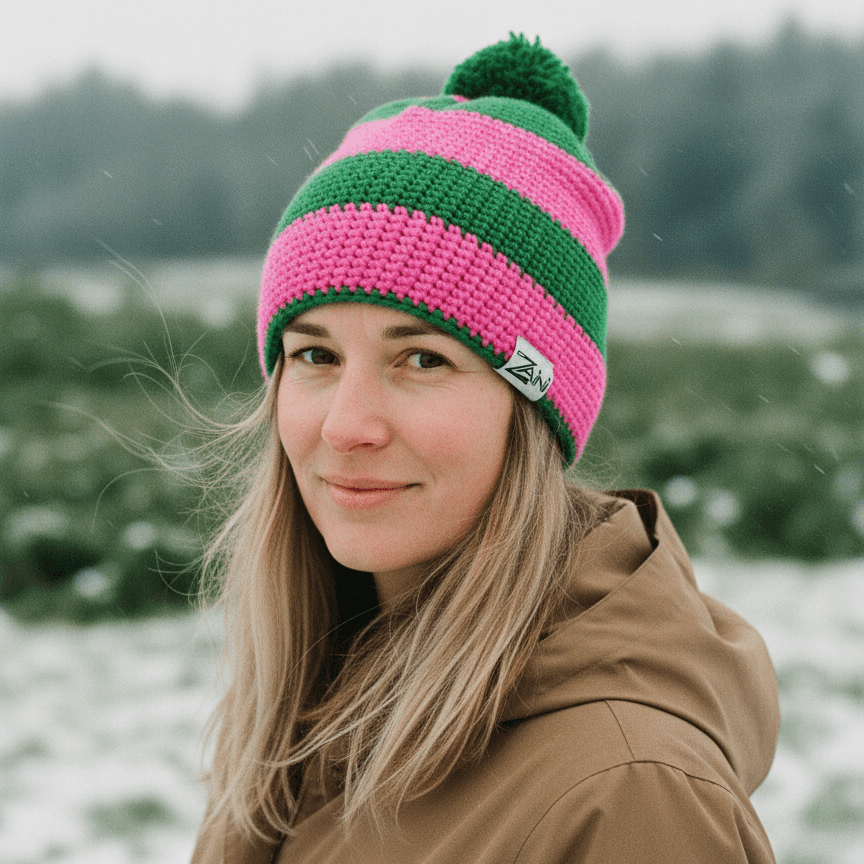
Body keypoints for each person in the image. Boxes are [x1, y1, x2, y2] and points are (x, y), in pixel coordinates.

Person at [190, 34, 779, 863]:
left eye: (423, 359)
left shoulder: (628, 797)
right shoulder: (309, 709)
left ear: (533, 407)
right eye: (315, 355)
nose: (346, 425)